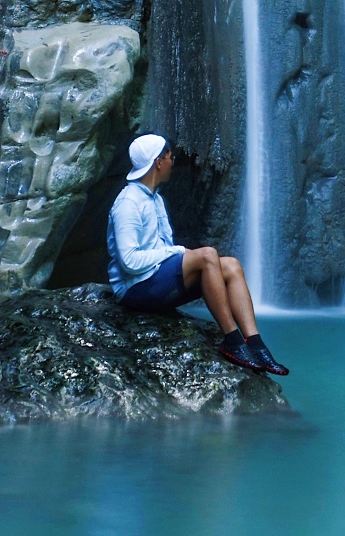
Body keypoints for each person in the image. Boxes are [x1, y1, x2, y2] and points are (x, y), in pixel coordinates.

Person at [107, 132, 288, 377]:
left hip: (155, 279)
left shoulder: (155, 200)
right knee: (206, 256)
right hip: (135, 289)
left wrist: (176, 256)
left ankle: (255, 343)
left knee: (231, 265)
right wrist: (176, 252)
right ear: (158, 163)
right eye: (170, 157)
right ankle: (232, 341)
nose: (173, 161)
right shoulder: (128, 203)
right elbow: (129, 262)